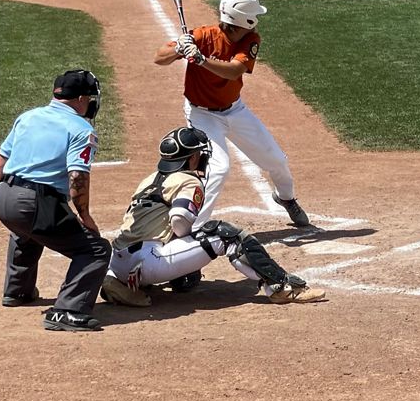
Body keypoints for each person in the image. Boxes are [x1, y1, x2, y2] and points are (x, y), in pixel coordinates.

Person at [100, 127, 326, 307]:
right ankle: (282, 288)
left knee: (180, 242)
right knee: (226, 235)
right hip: (150, 262)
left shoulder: (148, 180)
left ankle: (117, 283)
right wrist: (185, 241)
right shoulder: (188, 180)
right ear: (193, 157)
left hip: (119, 262)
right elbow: (179, 220)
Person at [153, 0, 313, 228]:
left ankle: (286, 199)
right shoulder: (202, 36)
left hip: (235, 110)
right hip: (202, 114)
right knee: (219, 169)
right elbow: (159, 57)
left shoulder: (251, 39)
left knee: (277, 160)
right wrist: (179, 48)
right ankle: (192, 229)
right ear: (244, 19)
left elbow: (235, 70)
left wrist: (201, 60)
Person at [0, 70, 111, 332]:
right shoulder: (81, 128)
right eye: (89, 98)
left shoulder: (28, 116)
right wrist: (85, 216)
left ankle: (17, 291)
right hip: (32, 203)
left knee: (27, 230)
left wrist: (11, 192)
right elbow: (77, 177)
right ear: (80, 98)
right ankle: (68, 310)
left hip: (1, 198)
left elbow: (2, 160)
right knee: (95, 250)